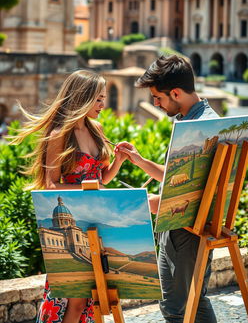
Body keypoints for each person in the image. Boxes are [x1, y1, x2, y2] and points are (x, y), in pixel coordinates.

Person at [11, 70, 127, 323]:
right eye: (98, 99)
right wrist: (93, 189)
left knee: (94, 298)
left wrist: (118, 160)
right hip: (73, 222)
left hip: (96, 223)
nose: (102, 105)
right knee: (75, 300)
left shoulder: (97, 129)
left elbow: (102, 178)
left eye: (103, 98)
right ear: (82, 98)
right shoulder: (59, 136)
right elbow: (52, 186)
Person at [115, 55, 218, 323]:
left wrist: (153, 202)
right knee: (191, 301)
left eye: (158, 98)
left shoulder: (199, 128)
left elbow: (197, 193)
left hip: (186, 229)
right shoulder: (197, 120)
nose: (156, 104)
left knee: (175, 307)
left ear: (175, 92)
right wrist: (140, 161)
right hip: (178, 225)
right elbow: (179, 179)